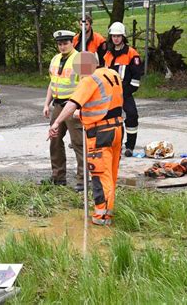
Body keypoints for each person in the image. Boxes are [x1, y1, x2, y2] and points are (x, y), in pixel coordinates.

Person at [48, 52, 124, 226]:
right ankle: (108, 211)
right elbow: (104, 101)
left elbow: (72, 103)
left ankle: (101, 217)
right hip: (117, 128)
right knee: (111, 174)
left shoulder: (89, 79)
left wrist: (57, 122)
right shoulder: (112, 74)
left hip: (100, 133)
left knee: (100, 174)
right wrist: (83, 113)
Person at [43, 30, 84, 192]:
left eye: (65, 43)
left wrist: (80, 107)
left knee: (78, 143)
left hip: (74, 106)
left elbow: (86, 84)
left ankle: (83, 179)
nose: (62, 46)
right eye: (60, 44)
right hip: (58, 105)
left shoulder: (81, 58)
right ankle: (58, 176)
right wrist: (46, 104)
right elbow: (52, 84)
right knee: (54, 140)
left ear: (72, 42)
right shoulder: (55, 59)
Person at [104, 22, 143, 157]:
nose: (116, 38)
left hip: (126, 93)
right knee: (113, 119)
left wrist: (127, 92)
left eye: (118, 36)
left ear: (123, 37)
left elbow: (136, 76)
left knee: (132, 116)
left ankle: (130, 146)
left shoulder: (131, 53)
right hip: (110, 94)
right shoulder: (108, 54)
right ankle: (116, 146)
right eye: (113, 36)